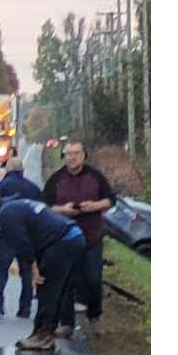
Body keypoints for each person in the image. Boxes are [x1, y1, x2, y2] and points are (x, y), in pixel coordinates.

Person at [0, 194, 96, 355]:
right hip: (72, 236)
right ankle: (44, 332)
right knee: (57, 289)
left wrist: (34, 270)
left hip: (62, 241)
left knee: (47, 288)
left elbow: (23, 245)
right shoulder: (15, 206)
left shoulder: (7, 217)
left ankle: (43, 337)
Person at [38, 141, 115, 335]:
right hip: (64, 238)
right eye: (69, 154)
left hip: (91, 237)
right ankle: (66, 324)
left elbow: (111, 199)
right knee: (65, 282)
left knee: (93, 279)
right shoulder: (56, 179)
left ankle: (95, 316)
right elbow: (44, 206)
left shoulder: (95, 176)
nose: (72, 157)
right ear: (64, 156)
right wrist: (62, 210)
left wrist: (95, 206)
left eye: (76, 153)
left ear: (83, 155)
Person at [0, 144, 42, 316]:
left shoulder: (2, 186)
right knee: (26, 272)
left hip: (8, 235)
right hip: (28, 236)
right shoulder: (34, 188)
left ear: (7, 169)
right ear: (22, 171)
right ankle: (25, 308)